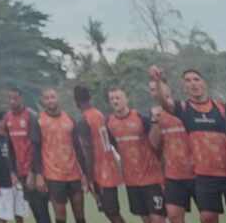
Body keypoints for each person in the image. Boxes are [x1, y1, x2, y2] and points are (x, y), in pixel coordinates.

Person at [149, 65, 226, 223]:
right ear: (184, 88)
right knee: (208, 218)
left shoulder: (223, 108)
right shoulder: (183, 109)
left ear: (204, 83)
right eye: (188, 81)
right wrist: (157, 81)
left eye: (196, 79)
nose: (193, 83)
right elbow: (165, 102)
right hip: (205, 175)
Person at [104, 88, 165, 223]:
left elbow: (156, 145)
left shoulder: (141, 118)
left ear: (126, 99)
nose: (115, 101)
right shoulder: (109, 123)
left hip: (152, 179)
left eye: (118, 98)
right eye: (112, 99)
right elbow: (114, 147)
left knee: (157, 218)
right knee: (145, 218)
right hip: (131, 181)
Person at [33, 88, 89, 223]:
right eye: (47, 98)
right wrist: (39, 175)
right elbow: (35, 150)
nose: (50, 100)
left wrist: (85, 175)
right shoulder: (39, 121)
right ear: (43, 101)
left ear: (57, 99)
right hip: (53, 175)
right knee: (60, 214)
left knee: (80, 214)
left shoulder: (69, 119)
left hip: (74, 173)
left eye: (52, 97)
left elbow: (78, 148)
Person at [73, 85, 123, 223]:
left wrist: (89, 179)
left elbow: (87, 152)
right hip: (111, 168)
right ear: (90, 98)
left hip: (100, 173)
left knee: (112, 213)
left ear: (76, 102)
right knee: (111, 212)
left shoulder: (83, 121)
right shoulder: (100, 114)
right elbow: (112, 141)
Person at [147, 84, 194, 223]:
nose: (154, 92)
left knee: (208, 216)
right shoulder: (155, 113)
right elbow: (154, 143)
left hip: (196, 170)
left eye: (157, 88)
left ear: (168, 89)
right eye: (151, 90)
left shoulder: (184, 107)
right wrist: (155, 119)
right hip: (173, 174)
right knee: (173, 216)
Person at [5, 89, 52, 223]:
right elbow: (10, 148)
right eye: (10, 98)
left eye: (15, 98)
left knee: (41, 208)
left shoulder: (31, 116)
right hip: (21, 173)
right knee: (35, 208)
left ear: (21, 98)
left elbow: (36, 146)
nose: (12, 101)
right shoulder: (8, 118)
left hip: (36, 171)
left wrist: (34, 172)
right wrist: (13, 172)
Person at [0, 112, 25, 223]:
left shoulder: (13, 137)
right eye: (5, 119)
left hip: (17, 181)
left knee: (19, 214)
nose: (8, 121)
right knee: (3, 216)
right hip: (2, 182)